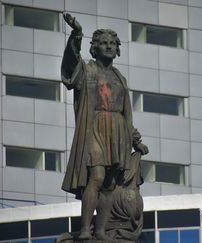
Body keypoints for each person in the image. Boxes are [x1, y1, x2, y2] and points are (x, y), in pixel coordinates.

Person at [60, 12, 148, 240]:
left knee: (109, 184)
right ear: (95, 48)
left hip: (117, 131)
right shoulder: (87, 70)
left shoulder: (120, 78)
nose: (108, 47)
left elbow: (125, 112)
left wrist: (135, 140)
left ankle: (100, 230)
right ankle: (85, 230)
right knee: (96, 177)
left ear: (117, 49)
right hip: (94, 128)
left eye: (112, 44)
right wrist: (76, 35)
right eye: (103, 43)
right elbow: (69, 68)